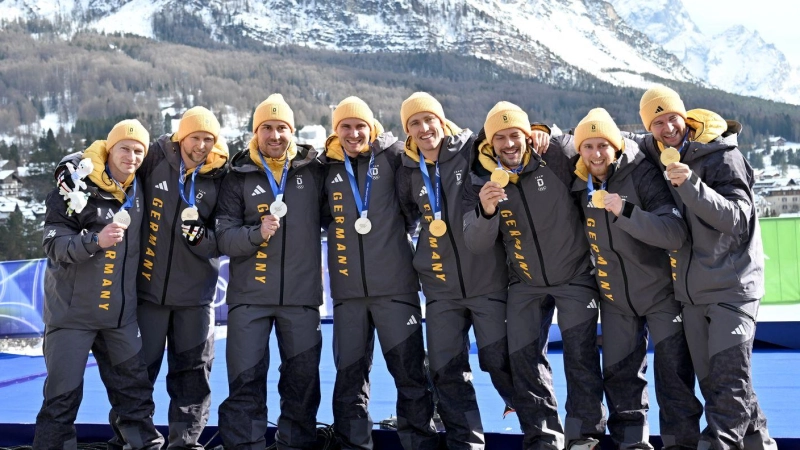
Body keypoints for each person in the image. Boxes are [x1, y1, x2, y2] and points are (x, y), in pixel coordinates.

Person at [629, 85, 777, 450]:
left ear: (686, 116)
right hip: (691, 292)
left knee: (728, 384)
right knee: (721, 384)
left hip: (733, 287)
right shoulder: (657, 149)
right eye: (657, 122)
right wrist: (548, 135)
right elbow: (613, 138)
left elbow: (738, 220)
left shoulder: (722, 156)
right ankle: (761, 444)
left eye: (672, 118)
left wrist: (692, 186)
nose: (667, 128)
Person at [462, 102, 606, 450]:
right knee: (525, 361)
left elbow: (588, 143)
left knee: (581, 358)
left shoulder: (554, 155)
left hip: (574, 277)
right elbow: (476, 243)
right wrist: (486, 211)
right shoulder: (480, 176)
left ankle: (585, 436)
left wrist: (550, 131)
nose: (509, 144)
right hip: (525, 283)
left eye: (516, 135)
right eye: (500, 138)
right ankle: (543, 437)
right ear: (490, 142)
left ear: (528, 135)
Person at [570, 108, 703, 449]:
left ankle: (681, 444)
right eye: (588, 146)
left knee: (674, 376)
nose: (596, 153)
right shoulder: (576, 182)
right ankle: (632, 444)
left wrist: (625, 211)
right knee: (621, 379)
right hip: (614, 300)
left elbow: (674, 233)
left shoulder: (642, 173)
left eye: (603, 145)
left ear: (616, 146)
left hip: (660, 295)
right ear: (579, 150)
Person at [395, 92, 516, 450]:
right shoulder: (407, 170)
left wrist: (539, 131)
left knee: (501, 362)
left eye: (428, 119)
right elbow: (405, 215)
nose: (423, 128)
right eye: (414, 123)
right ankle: (467, 444)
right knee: (447, 372)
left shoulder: (471, 150)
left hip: (487, 281)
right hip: (440, 290)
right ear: (408, 130)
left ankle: (542, 434)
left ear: (442, 121)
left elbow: (508, 134)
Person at [36, 119, 164, 450]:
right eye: (125, 148)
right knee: (60, 402)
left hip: (118, 318)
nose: (132, 156)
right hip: (71, 317)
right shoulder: (76, 186)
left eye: (139, 151)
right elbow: (53, 243)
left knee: (135, 398)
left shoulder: (140, 187)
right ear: (109, 149)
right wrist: (95, 240)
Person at [108, 106, 229, 449]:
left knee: (192, 378)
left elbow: (226, 235)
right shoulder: (155, 157)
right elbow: (113, 157)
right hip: (148, 293)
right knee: (136, 376)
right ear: (181, 136)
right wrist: (69, 164)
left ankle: (184, 443)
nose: (201, 145)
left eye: (209, 138)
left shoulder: (221, 174)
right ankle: (129, 441)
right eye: (195, 137)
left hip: (195, 297)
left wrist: (202, 239)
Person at [321, 96, 438, 450]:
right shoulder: (325, 167)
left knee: (411, 377)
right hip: (348, 296)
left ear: (372, 126)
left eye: (360, 126)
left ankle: (420, 443)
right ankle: (354, 446)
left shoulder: (395, 157)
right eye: (346, 127)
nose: (354, 133)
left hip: (396, 290)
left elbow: (415, 205)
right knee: (349, 381)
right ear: (336, 131)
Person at [215, 94, 328, 450]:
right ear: (255, 131)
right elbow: (223, 237)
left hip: (302, 298)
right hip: (250, 299)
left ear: (291, 131)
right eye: (267, 127)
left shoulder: (314, 170)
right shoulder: (237, 175)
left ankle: (295, 446)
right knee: (245, 384)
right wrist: (255, 233)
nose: (275, 135)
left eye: (281, 128)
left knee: (302, 384)